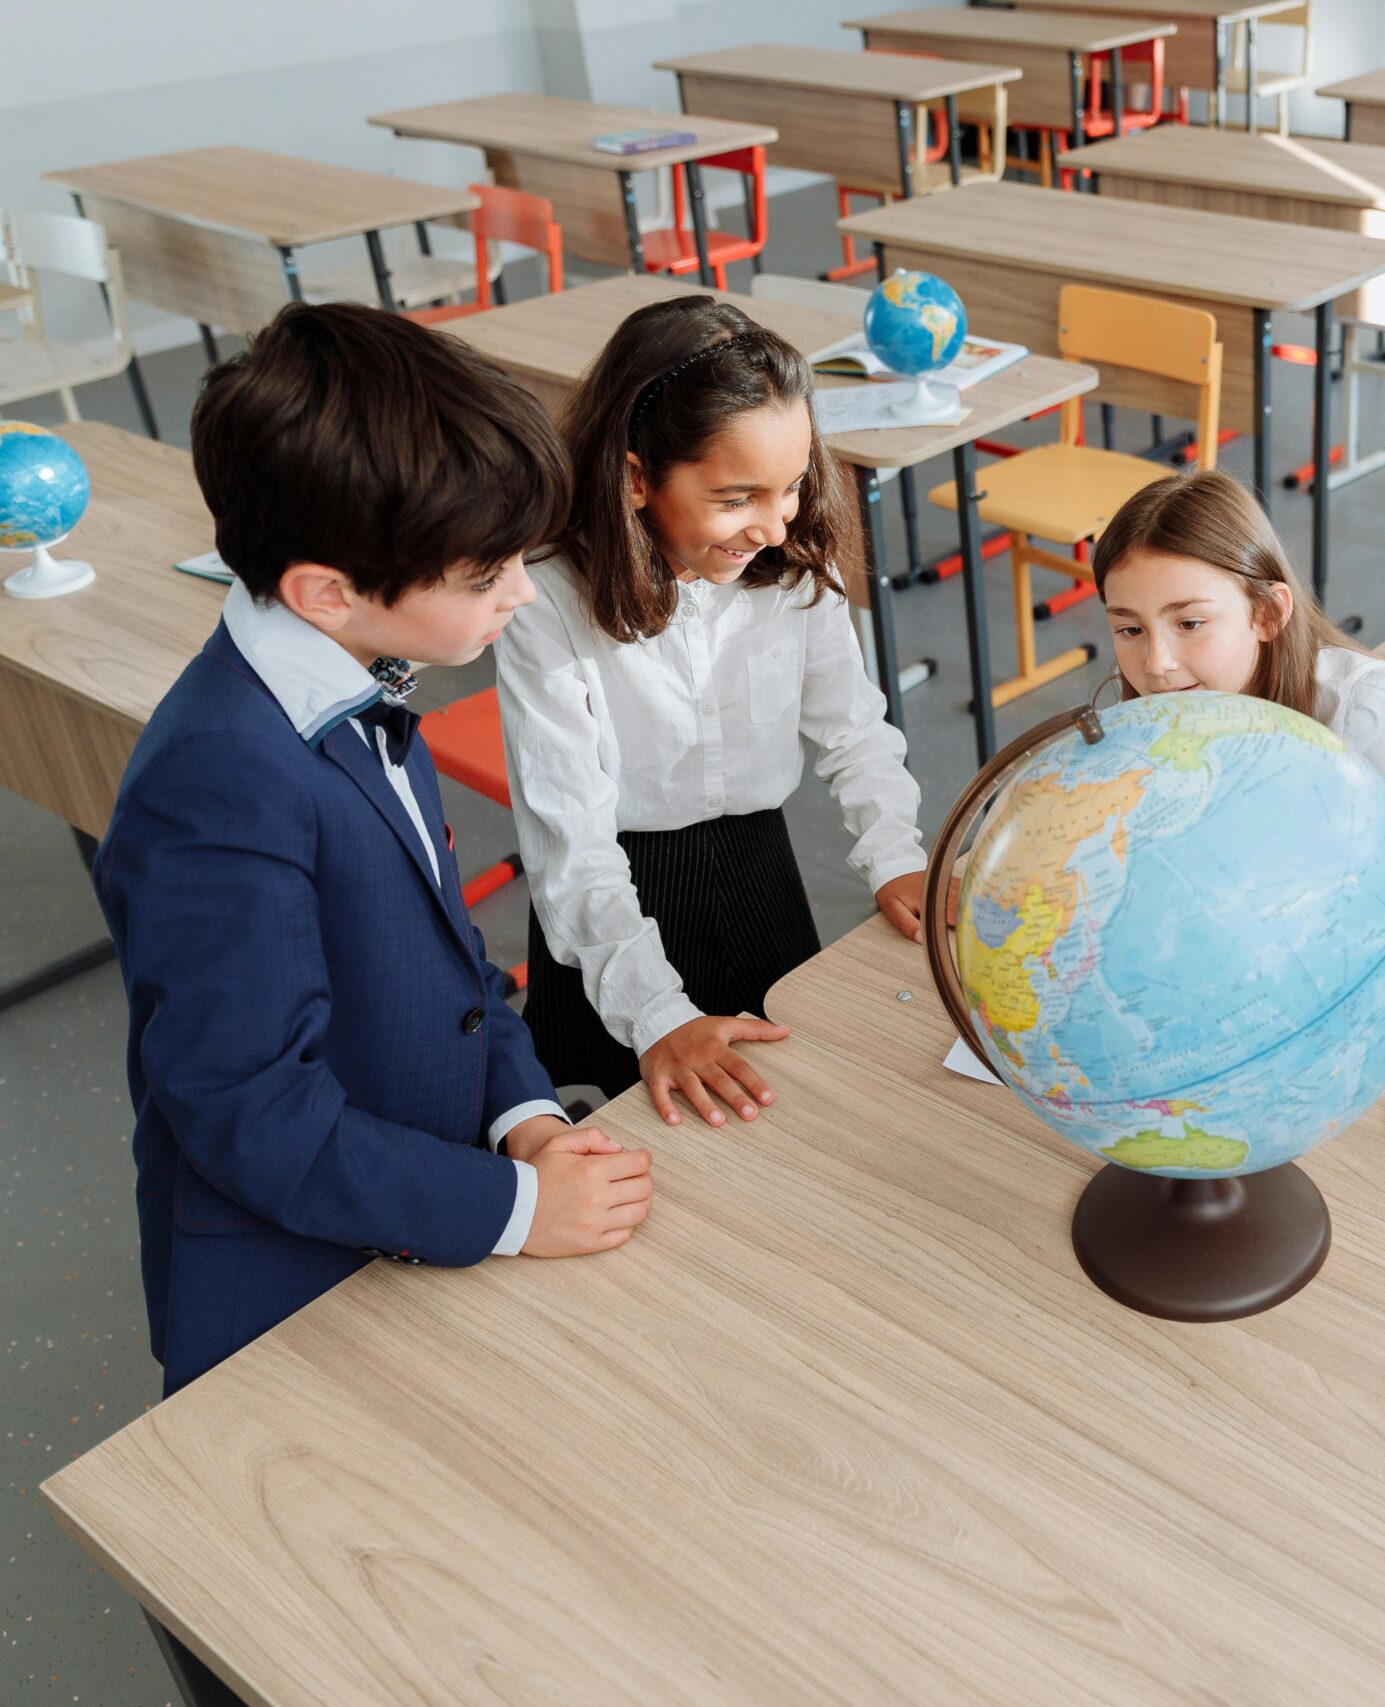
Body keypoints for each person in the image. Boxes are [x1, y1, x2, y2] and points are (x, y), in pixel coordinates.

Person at [94, 303, 650, 1397]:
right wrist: (514, 1209)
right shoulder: (217, 786)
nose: (524, 592)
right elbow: (249, 1110)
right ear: (326, 592)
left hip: (420, 1195)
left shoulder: (352, 678)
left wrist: (525, 1118)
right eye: (487, 574)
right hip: (293, 1289)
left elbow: (447, 964)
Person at [497, 295, 928, 1128]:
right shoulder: (547, 596)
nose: (774, 524)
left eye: (796, 485)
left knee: (781, 1102)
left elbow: (855, 728)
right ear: (634, 479)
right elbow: (571, 846)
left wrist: (895, 854)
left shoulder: (792, 561)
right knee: (648, 1122)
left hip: (757, 870)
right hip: (614, 898)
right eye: (737, 497)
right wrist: (657, 1015)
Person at [1094, 470, 1385, 954]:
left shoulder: (1357, 708)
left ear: (1267, 614)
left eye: (1189, 622)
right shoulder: (1140, 720)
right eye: (1130, 630)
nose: (1156, 664)